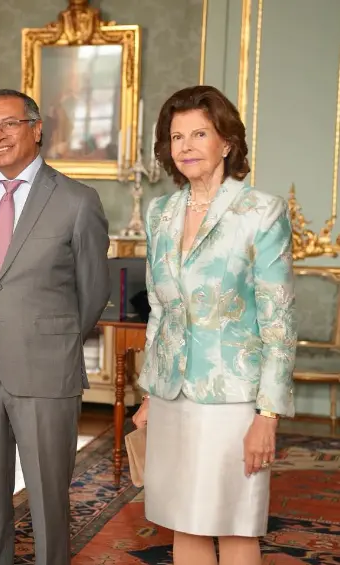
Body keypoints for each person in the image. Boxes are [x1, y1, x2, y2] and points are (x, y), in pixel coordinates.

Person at [132, 85, 296, 565]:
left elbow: (279, 320)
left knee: (235, 526)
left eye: (199, 133)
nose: (185, 145)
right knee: (185, 520)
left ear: (226, 142)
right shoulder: (160, 213)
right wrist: (150, 393)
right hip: (171, 397)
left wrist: (267, 417)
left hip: (233, 401)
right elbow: (160, 311)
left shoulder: (260, 212)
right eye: (176, 135)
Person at [0, 89, 110, 565]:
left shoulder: (77, 201)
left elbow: (93, 290)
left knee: (47, 498)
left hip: (45, 369)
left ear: (36, 129)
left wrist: (48, 338)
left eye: (9, 124)